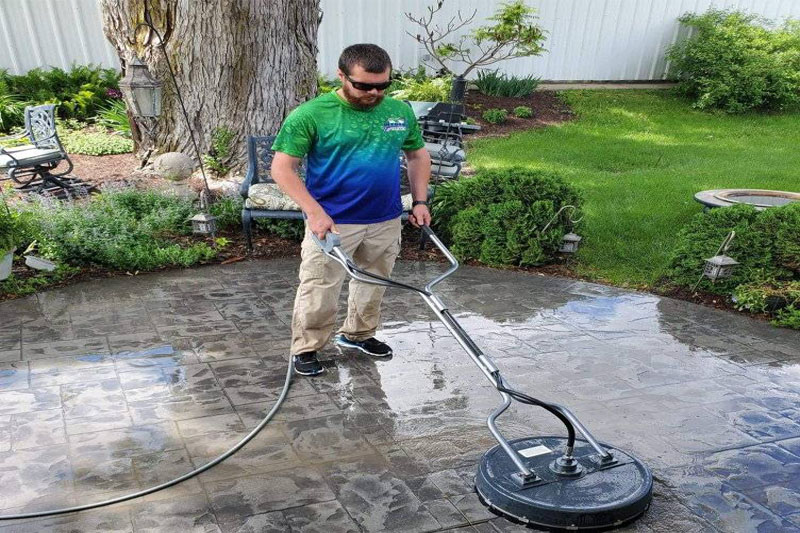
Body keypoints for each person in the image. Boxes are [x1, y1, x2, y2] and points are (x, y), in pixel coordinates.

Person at [270, 43, 432, 376]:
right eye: (363, 85)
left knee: (374, 283)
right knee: (320, 287)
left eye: (382, 85)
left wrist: (419, 201)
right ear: (341, 76)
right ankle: (307, 347)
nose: (374, 92)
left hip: (385, 217)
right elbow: (282, 169)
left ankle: (358, 335)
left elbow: (417, 155)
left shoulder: (399, 112)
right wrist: (314, 212)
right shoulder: (312, 114)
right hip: (332, 221)